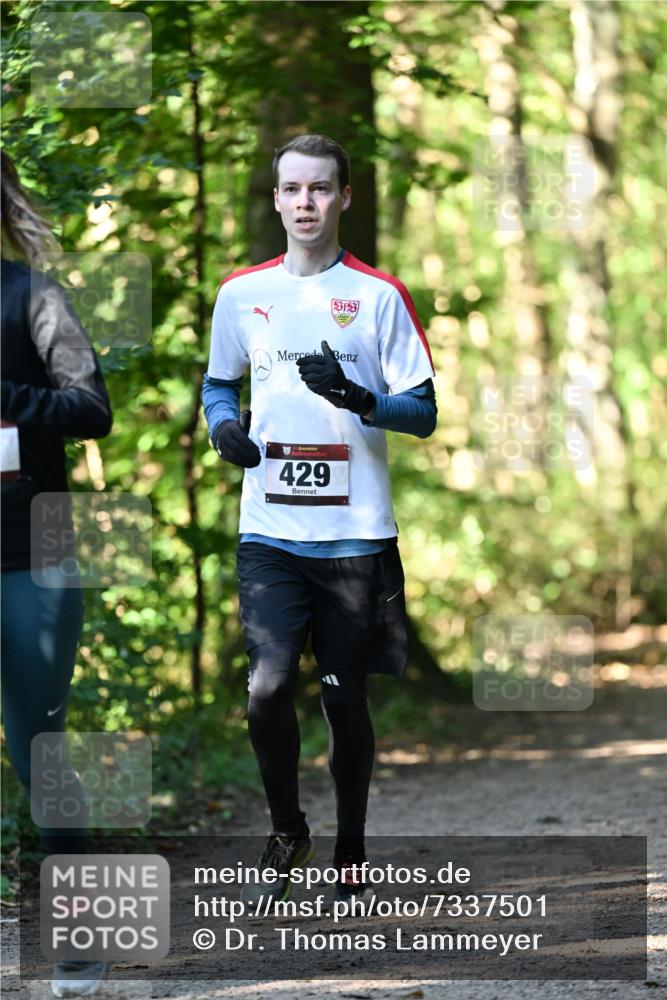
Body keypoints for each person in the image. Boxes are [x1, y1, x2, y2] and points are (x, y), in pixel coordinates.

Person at [202, 133, 436, 904]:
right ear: (275, 199)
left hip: (354, 535)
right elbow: (218, 384)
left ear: (343, 197)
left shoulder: (378, 295)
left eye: (320, 188)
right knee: (267, 688)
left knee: (342, 696)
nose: (306, 202)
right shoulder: (241, 293)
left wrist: (359, 399)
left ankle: (351, 850)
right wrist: (223, 428)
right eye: (293, 188)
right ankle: (286, 829)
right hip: (269, 530)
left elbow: (423, 412)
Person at [0, 151, 113, 997]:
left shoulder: (33, 296)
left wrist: (9, 398)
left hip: (28, 562)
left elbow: (91, 408)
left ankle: (82, 939)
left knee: (39, 754)